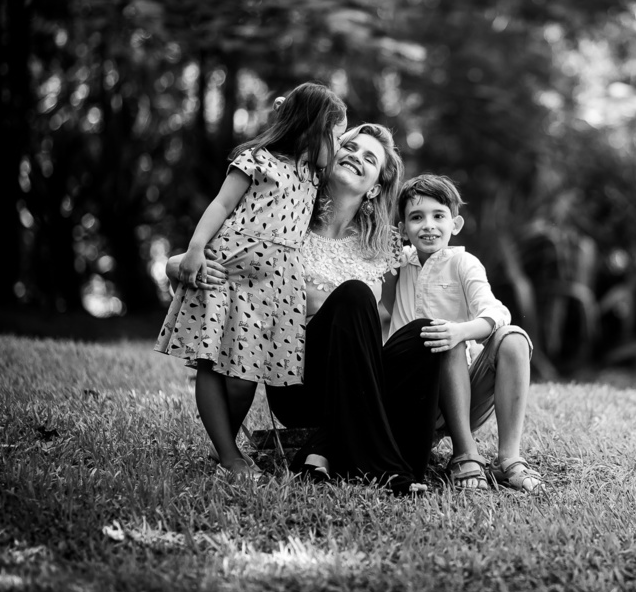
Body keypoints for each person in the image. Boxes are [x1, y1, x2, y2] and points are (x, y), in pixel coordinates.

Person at [169, 123, 443, 494]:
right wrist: (177, 265)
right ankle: (384, 469)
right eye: (349, 147)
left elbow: (422, 282)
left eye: (369, 158)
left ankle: (351, 453)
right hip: (298, 381)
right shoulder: (286, 215)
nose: (356, 157)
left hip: (360, 381)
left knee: (425, 333)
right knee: (355, 296)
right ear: (330, 156)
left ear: (375, 187)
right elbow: (212, 253)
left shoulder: (383, 246)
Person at [156, 83, 346, 478]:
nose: (339, 144)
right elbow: (221, 204)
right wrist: (195, 249)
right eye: (336, 134)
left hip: (275, 287)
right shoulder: (256, 159)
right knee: (211, 363)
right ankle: (230, 456)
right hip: (225, 271)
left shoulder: (313, 175)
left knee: (245, 379)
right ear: (313, 129)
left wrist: (289, 108)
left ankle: (223, 445)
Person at [387, 174, 542, 492]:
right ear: (402, 229)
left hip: (461, 394)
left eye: (438, 216)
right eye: (417, 217)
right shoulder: (396, 264)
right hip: (408, 399)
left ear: (455, 224)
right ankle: (464, 453)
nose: (428, 225)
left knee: (512, 338)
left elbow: (497, 313)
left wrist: (461, 331)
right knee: (442, 337)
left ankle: (509, 459)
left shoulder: (463, 263)